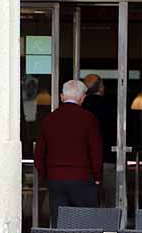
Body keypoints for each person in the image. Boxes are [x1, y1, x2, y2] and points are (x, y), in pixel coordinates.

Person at [34, 79, 104, 225]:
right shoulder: (88, 119)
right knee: (86, 224)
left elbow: (39, 154)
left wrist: (46, 177)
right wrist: (97, 177)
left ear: (62, 97)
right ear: (82, 98)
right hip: (82, 178)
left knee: (60, 223)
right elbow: (95, 151)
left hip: (56, 179)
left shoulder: (49, 119)